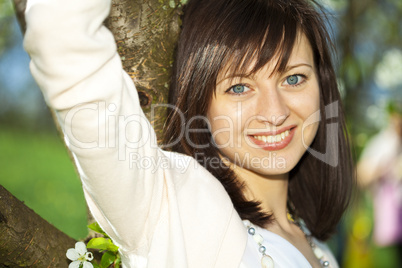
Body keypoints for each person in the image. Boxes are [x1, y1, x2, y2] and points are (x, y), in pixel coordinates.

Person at [23, 0, 353, 267]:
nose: (275, 112)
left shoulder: (314, 241)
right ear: (199, 103)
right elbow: (60, 34)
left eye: (293, 78)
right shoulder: (176, 208)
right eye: (239, 87)